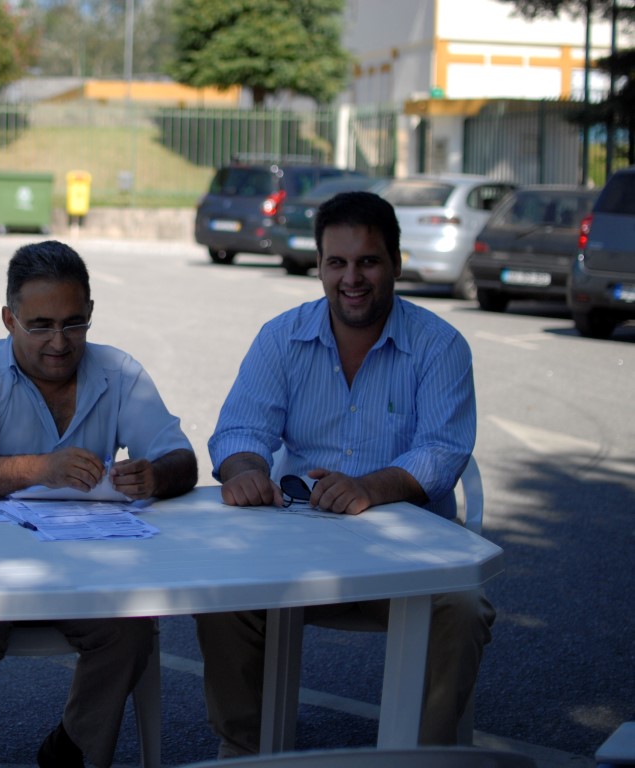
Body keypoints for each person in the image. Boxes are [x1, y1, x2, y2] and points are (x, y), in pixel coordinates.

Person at [195, 191, 496, 757]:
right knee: (221, 594)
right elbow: (238, 431)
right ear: (319, 267)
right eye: (337, 263)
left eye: (368, 261)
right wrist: (244, 471)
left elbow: (442, 451)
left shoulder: (440, 346)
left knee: (463, 607)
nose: (351, 278)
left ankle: (422, 757)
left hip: (408, 556)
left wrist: (368, 489)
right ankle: (246, 752)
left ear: (396, 264)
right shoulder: (280, 337)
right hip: (295, 548)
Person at [0, 240, 198, 768]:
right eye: (40, 325)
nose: (59, 342)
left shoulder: (119, 373)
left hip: (86, 569)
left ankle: (70, 750)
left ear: (91, 314)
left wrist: (153, 474)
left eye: (74, 324)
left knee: (132, 631)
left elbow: (181, 459)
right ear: (9, 319)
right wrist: (39, 467)